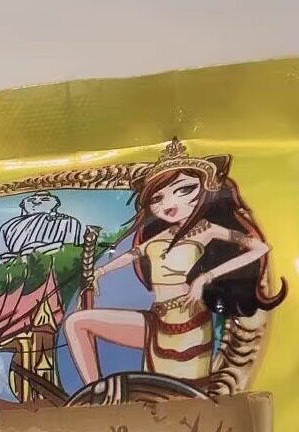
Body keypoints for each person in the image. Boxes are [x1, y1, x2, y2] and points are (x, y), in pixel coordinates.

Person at [65, 139, 285, 390]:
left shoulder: (207, 230)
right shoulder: (159, 236)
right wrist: (100, 271)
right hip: (157, 319)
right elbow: (132, 255)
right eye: (157, 198)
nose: (168, 204)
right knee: (76, 322)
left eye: (184, 190)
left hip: (189, 324)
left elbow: (260, 248)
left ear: (206, 190)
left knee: (174, 396)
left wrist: (206, 278)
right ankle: (97, 394)